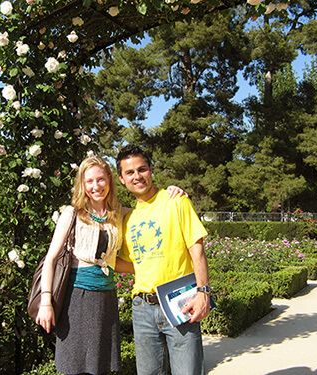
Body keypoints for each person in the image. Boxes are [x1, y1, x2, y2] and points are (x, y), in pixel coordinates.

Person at [36, 155, 187, 375]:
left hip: (106, 297)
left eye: (100, 179)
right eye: (89, 181)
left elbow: (149, 209)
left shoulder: (119, 214)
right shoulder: (72, 214)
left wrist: (171, 193)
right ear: (82, 184)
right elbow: (51, 259)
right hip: (77, 299)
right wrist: (46, 302)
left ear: (109, 179)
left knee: (100, 366)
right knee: (75, 366)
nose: (96, 186)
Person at [115, 144, 211, 375]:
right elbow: (135, 265)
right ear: (121, 179)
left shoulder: (176, 201)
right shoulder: (128, 219)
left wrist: (204, 293)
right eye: (130, 172)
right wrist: (99, 259)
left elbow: (196, 250)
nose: (137, 176)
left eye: (142, 169)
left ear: (151, 171)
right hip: (142, 309)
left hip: (180, 304)